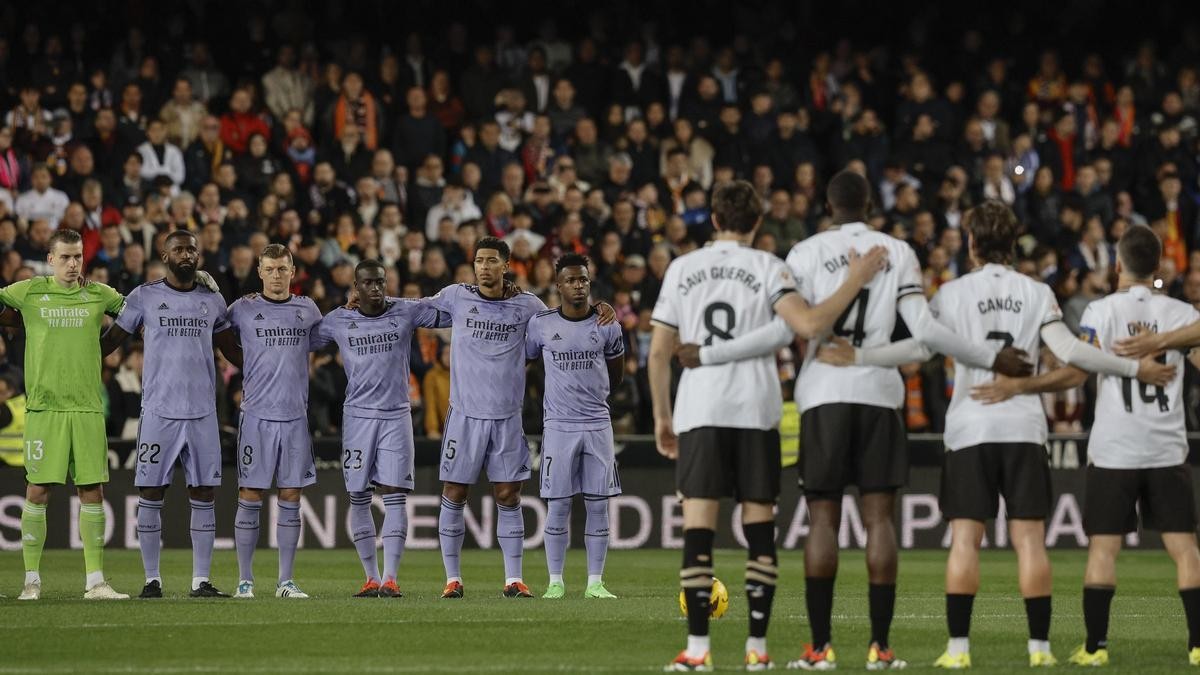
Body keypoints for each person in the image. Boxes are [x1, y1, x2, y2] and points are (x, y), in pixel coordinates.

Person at [677, 170, 1033, 670]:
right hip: (880, 396)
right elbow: (926, 335)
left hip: (821, 393)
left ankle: (819, 648)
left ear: (828, 203)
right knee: (879, 519)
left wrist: (713, 354)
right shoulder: (898, 251)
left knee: (822, 518)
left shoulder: (801, 253)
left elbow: (787, 331)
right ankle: (880, 649)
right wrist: (880, 357)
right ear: (870, 205)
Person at [821, 201, 1171, 668]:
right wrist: (1132, 367)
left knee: (965, 539)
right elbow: (1071, 352)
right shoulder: (1036, 291)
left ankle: (959, 650)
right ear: (1012, 243)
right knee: (1030, 541)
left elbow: (919, 347)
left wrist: (862, 358)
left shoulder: (952, 293)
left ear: (971, 244)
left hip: (970, 426)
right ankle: (1040, 650)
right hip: (1024, 426)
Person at [648, 179, 887, 671]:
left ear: (713, 219)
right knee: (759, 532)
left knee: (698, 532)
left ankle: (697, 651)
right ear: (757, 222)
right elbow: (807, 326)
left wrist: (662, 416)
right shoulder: (770, 267)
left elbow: (658, 351)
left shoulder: (681, 268)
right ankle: (757, 649)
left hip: (700, 409)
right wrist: (855, 279)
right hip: (756, 411)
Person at [430, 237, 613, 599]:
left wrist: (598, 307)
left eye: (492, 261)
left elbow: (562, 319)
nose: (484, 267)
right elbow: (413, 310)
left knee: (509, 494)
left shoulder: (528, 305)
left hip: (507, 416)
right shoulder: (455, 297)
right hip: (464, 414)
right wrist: (376, 304)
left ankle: (513, 579)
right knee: (454, 491)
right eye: (479, 260)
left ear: (506, 265)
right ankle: (453, 579)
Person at [1078, 226, 1200, 667]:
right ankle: (1198, 645)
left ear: (1117, 264)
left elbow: (1082, 361)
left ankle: (1094, 650)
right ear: (1159, 265)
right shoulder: (1182, 313)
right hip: (1167, 448)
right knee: (1184, 548)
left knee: (1103, 549)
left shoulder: (1100, 310)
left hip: (1115, 448)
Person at [101, 229, 242, 599]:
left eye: (191, 249)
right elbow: (111, 342)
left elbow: (231, 350)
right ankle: (151, 579)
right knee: (151, 490)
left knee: (204, 492)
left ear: (200, 255)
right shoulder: (145, 296)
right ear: (165, 256)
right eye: (178, 249)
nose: (186, 254)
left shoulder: (212, 299)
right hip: (159, 412)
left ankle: (201, 580)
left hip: (202, 413)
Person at [0, 228, 128, 600]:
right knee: (37, 491)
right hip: (45, 408)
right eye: (66, 257)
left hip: (87, 407)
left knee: (92, 490)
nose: (73, 264)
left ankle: (95, 582)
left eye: (78, 257)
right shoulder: (29, 291)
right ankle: (31, 581)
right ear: (51, 259)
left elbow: (136, 312)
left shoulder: (98, 293)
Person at [310, 258, 446, 598]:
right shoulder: (339, 320)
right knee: (358, 495)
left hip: (396, 416)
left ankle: (390, 578)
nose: (376, 288)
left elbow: (448, 310)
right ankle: (370, 577)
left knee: (395, 495)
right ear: (356, 288)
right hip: (357, 417)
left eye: (381, 282)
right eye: (368, 283)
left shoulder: (405, 311)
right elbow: (305, 340)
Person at [226, 244, 324, 599]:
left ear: (293, 272)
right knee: (250, 493)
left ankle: (285, 580)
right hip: (256, 416)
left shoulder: (307, 309)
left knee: (291, 494)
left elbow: (326, 340)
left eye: (283, 269)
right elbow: (220, 334)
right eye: (270, 269)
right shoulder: (243, 309)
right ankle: (245, 580)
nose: (277, 276)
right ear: (260, 272)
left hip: (295, 418)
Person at [525, 253, 624, 600]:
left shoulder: (607, 323)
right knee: (559, 504)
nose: (578, 285)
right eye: (571, 280)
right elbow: (526, 363)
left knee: (598, 504)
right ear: (559, 285)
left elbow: (617, 372)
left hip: (597, 423)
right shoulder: (540, 324)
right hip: (559, 426)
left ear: (589, 282)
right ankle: (556, 581)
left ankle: (595, 582)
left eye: (582, 279)